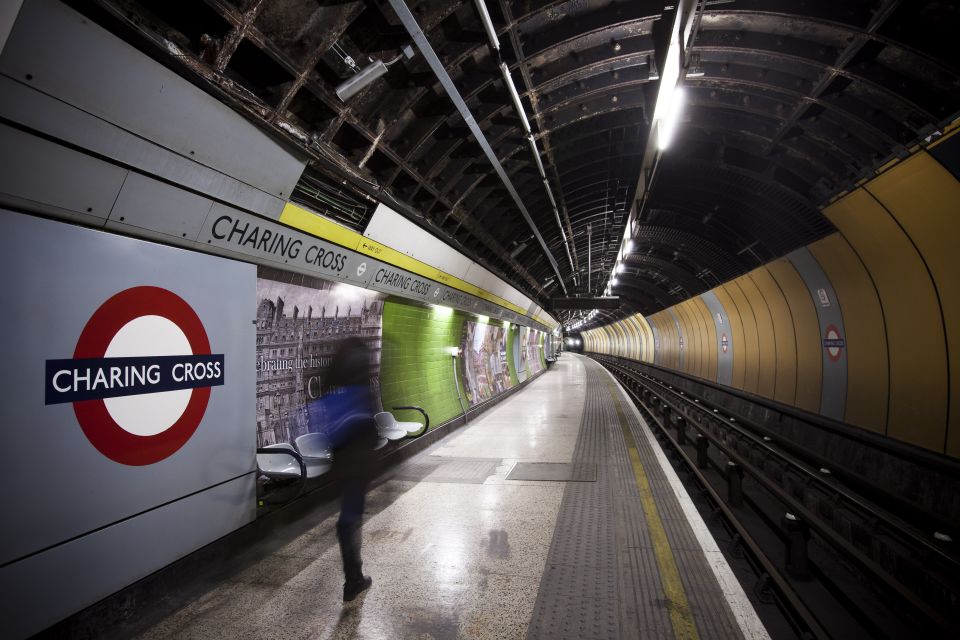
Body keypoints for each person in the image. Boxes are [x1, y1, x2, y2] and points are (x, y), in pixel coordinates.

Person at [323, 336, 378, 602]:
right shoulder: (363, 385)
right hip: (359, 463)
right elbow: (372, 428)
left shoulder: (331, 381)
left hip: (341, 461)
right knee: (350, 519)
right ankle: (353, 579)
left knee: (349, 515)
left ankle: (354, 576)